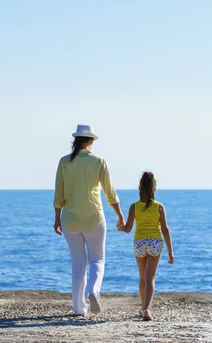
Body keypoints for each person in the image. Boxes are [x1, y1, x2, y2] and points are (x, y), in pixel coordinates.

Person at [54, 124, 125, 316]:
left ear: (76, 140)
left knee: (78, 264)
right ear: (91, 141)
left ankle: (79, 309)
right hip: (94, 217)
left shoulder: (64, 162)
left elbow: (58, 193)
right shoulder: (99, 161)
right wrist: (119, 215)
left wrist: (57, 219)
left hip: (70, 219)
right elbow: (110, 193)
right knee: (98, 260)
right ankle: (93, 291)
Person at [119, 171, 174, 321]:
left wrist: (120, 227)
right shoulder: (159, 207)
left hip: (139, 243)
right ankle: (147, 309)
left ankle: (143, 308)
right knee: (150, 278)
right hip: (155, 242)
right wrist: (170, 252)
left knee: (142, 278)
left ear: (139, 188)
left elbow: (128, 228)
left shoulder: (134, 207)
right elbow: (165, 230)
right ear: (154, 189)